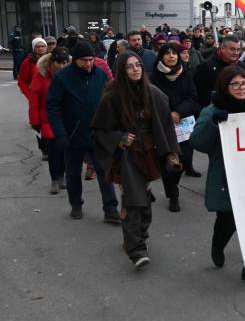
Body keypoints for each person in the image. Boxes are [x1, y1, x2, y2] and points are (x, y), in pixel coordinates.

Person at [92, 52, 183, 270]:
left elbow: (166, 125)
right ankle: (136, 249)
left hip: (149, 152)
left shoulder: (153, 93)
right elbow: (99, 130)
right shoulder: (111, 96)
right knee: (133, 200)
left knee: (142, 197)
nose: (136, 69)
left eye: (138, 65)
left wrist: (171, 153)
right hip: (127, 155)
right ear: (121, 71)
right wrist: (119, 138)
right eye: (130, 67)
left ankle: (140, 234)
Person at [191, 66, 245, 287]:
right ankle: (218, 245)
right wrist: (215, 124)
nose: (241, 88)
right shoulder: (213, 109)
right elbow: (198, 142)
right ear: (225, 87)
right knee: (228, 220)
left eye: (243, 83)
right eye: (235, 84)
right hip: (228, 176)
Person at [46, 40, 120, 222]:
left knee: (104, 172)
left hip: (97, 134)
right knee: (73, 173)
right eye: (84, 60)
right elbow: (53, 106)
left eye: (91, 59)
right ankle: (76, 205)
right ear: (75, 60)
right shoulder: (62, 77)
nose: (88, 64)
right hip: (72, 135)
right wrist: (60, 134)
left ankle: (110, 209)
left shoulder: (101, 75)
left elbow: (110, 102)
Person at [150, 44, 202, 210]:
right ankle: (173, 195)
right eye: (167, 53)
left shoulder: (186, 75)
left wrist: (179, 112)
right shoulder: (154, 77)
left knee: (184, 159)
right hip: (163, 124)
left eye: (174, 53)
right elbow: (151, 100)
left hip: (184, 124)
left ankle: (174, 185)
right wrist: (168, 114)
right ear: (161, 57)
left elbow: (193, 98)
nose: (171, 56)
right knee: (168, 161)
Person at [29, 47, 70, 194]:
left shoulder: (69, 75)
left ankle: (62, 176)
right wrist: (34, 120)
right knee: (53, 152)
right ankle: (54, 179)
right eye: (59, 62)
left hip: (66, 118)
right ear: (52, 62)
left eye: (65, 62)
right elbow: (34, 100)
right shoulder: (41, 75)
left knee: (65, 150)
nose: (62, 65)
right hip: (48, 120)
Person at [19, 37, 50, 159]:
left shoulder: (52, 59)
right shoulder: (27, 63)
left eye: (43, 46)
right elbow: (22, 81)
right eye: (38, 46)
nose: (41, 48)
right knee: (39, 123)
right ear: (34, 48)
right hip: (37, 97)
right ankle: (44, 149)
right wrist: (30, 94)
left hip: (51, 94)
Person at [194, 35, 245, 107]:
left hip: (239, 108)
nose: (236, 53)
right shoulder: (206, 66)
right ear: (222, 48)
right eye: (232, 49)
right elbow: (199, 92)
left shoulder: (241, 65)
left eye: (238, 49)